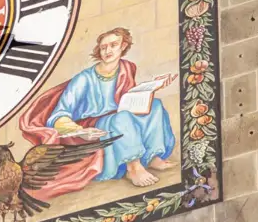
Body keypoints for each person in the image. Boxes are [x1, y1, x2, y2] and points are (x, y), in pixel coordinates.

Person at [19, 28, 177, 195]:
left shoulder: (126, 67)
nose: (108, 51)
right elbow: (58, 116)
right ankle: (133, 167)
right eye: (103, 47)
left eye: (113, 45)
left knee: (155, 105)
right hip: (93, 125)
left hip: (120, 113)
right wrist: (80, 131)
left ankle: (152, 157)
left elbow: (126, 96)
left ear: (123, 46)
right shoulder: (83, 79)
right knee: (121, 118)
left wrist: (152, 87)